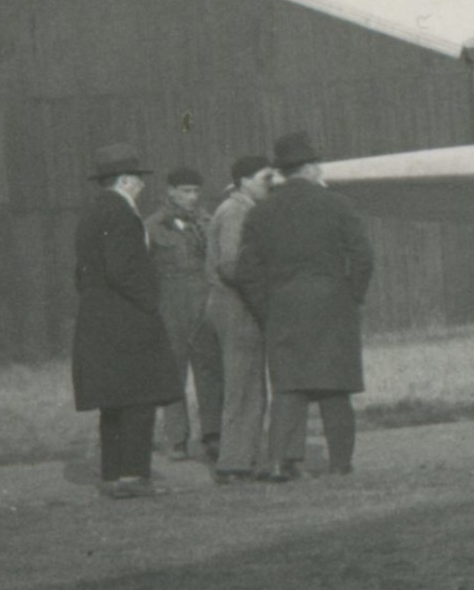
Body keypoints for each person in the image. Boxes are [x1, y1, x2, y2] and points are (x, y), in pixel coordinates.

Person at [238, 132, 374, 482]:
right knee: (335, 388)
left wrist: (266, 309)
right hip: (332, 304)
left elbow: (246, 271)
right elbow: (362, 256)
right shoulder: (338, 204)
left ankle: (281, 462)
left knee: (289, 388)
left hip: (283, 306)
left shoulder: (261, 212)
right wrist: (351, 295)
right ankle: (341, 463)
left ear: (282, 171)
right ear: (312, 168)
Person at [71, 144, 183, 499]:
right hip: (127, 318)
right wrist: (149, 301)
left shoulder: (91, 214)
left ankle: (113, 475)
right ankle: (134, 476)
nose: (141, 185)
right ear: (124, 180)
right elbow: (122, 268)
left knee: (114, 403)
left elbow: (83, 272)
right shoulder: (121, 214)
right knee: (139, 397)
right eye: (137, 179)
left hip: (99, 319)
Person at [206, 154, 280, 483]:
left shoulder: (239, 208)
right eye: (265, 178)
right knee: (243, 386)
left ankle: (244, 459)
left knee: (250, 385)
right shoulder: (236, 211)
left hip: (237, 304)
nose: (270, 184)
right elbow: (231, 265)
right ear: (245, 181)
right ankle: (234, 463)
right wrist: (263, 289)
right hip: (236, 306)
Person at [146, 166, 221, 461]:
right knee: (172, 374)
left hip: (204, 303)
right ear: (170, 192)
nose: (192, 197)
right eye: (185, 191)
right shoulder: (153, 226)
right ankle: (177, 439)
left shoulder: (208, 222)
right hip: (169, 306)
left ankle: (212, 435)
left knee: (209, 371)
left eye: (195, 191)